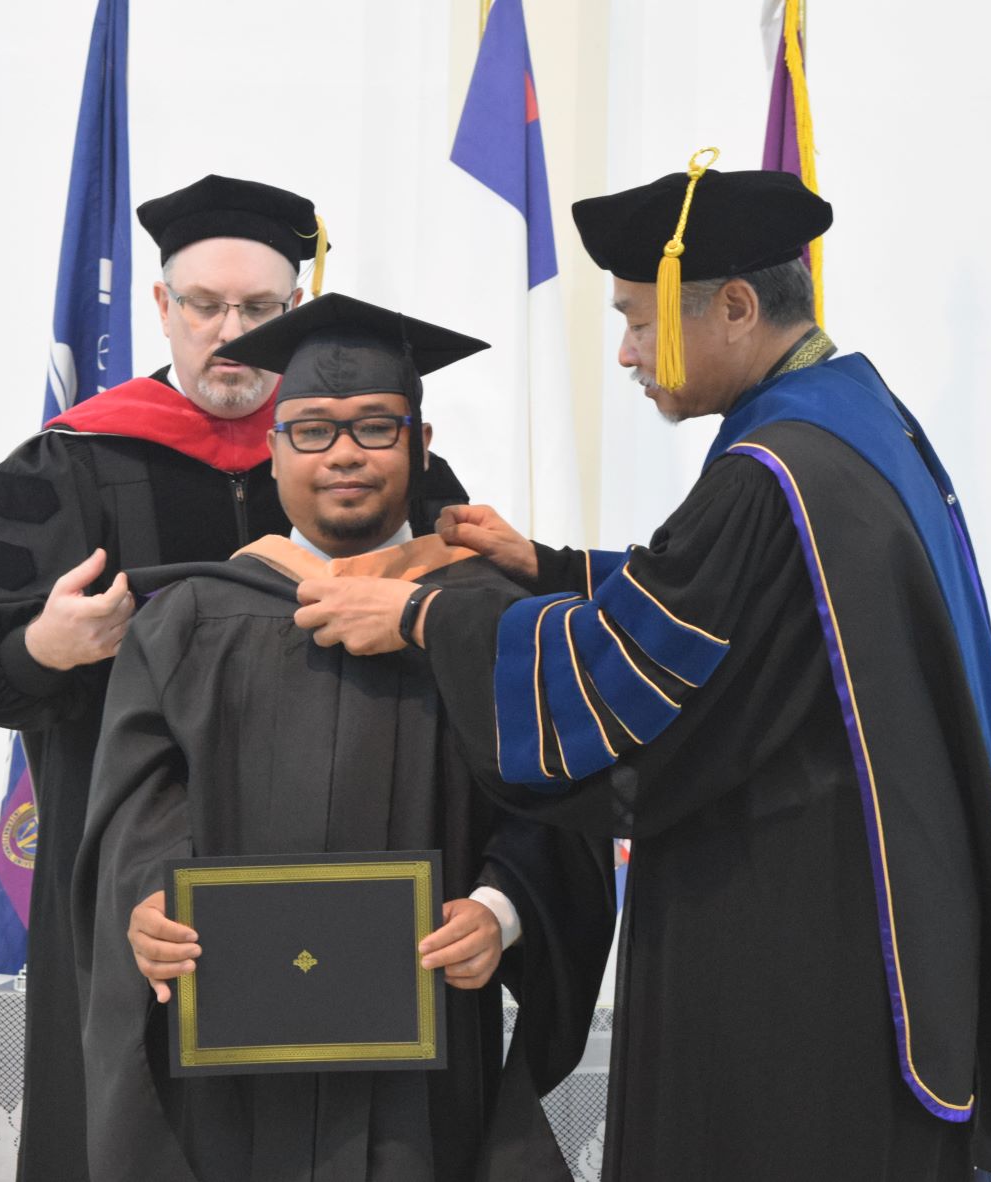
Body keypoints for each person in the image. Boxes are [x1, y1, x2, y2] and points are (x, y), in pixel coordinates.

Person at [292, 163, 991, 1180]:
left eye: (639, 321)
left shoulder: (770, 475)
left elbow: (616, 681)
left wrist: (426, 613)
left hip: (792, 936)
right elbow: (749, 618)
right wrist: (553, 568)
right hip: (876, 913)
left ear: (737, 308)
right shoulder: (855, 425)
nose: (626, 352)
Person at [0, 177, 468, 1181]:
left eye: (260, 310)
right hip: (138, 861)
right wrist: (44, 649)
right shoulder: (72, 464)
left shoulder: (366, 464)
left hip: (350, 863)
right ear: (163, 307)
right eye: (205, 305)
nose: (230, 332)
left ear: (296, 315)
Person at [72, 294, 615, 1182]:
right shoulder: (192, 621)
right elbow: (137, 805)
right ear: (273, 449)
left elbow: (557, 805)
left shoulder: (488, 614)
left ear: (420, 442)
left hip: (427, 1061)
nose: (345, 455)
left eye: (374, 426)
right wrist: (146, 903)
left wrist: (500, 911)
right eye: (313, 430)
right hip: (233, 1053)